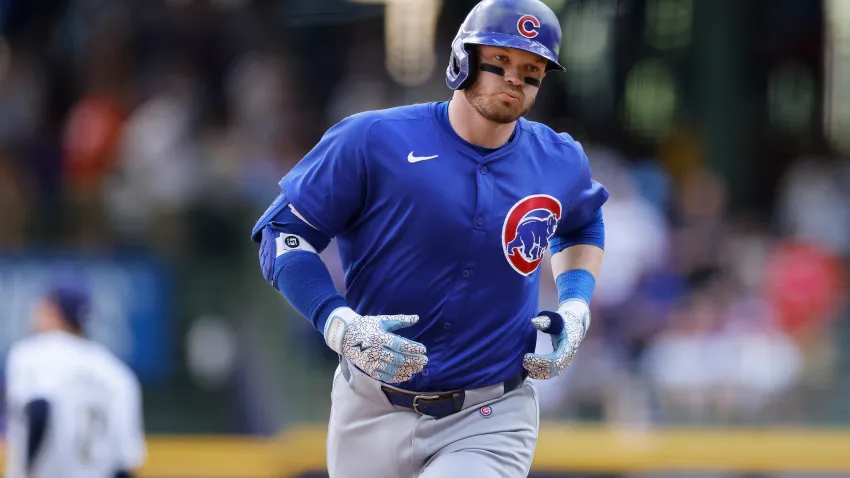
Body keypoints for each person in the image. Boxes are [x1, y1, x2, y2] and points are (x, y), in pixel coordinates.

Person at [251, 0, 608, 476]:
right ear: (463, 58)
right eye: (499, 60)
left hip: (490, 413)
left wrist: (576, 304)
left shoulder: (559, 159)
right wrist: (337, 322)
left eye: (531, 68)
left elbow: (583, 222)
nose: (514, 78)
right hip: (370, 407)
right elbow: (283, 233)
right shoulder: (373, 139)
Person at [3, 278, 146, 478]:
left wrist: (26, 469)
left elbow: (39, 408)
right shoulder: (117, 373)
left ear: (53, 310)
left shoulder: (30, 355)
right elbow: (123, 465)